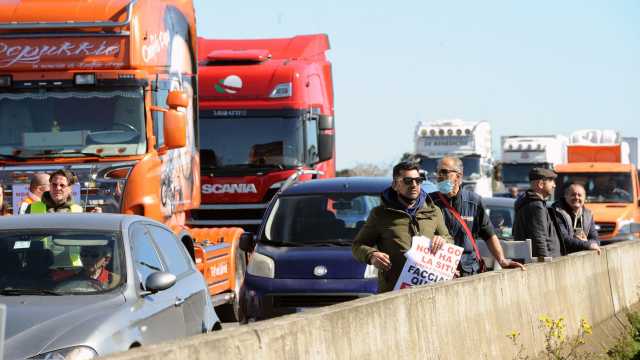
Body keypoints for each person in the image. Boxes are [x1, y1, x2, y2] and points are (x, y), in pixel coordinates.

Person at [352, 161, 451, 293]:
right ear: (395, 185)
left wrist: (443, 240)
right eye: (408, 181)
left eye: (418, 180)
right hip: (394, 292)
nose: (414, 185)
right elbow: (358, 245)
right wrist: (372, 255)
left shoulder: (434, 211)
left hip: (429, 290)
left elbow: (448, 239)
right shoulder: (380, 214)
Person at [431, 157, 525, 276]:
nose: (439, 176)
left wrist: (502, 260)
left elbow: (488, 234)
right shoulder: (429, 202)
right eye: (438, 172)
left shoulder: (474, 201)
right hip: (440, 269)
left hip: (469, 270)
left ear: (459, 176)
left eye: (444, 172)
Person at [513, 168, 563, 258]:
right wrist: (545, 263)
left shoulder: (529, 202)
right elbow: (539, 238)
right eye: (551, 181)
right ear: (540, 184)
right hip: (543, 264)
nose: (554, 185)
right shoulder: (536, 206)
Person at [551, 183, 601, 254]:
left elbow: (596, 239)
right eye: (573, 195)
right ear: (566, 196)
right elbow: (564, 240)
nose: (576, 197)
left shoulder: (588, 215)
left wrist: (587, 242)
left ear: (584, 198)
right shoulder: (557, 212)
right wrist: (586, 244)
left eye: (579, 195)